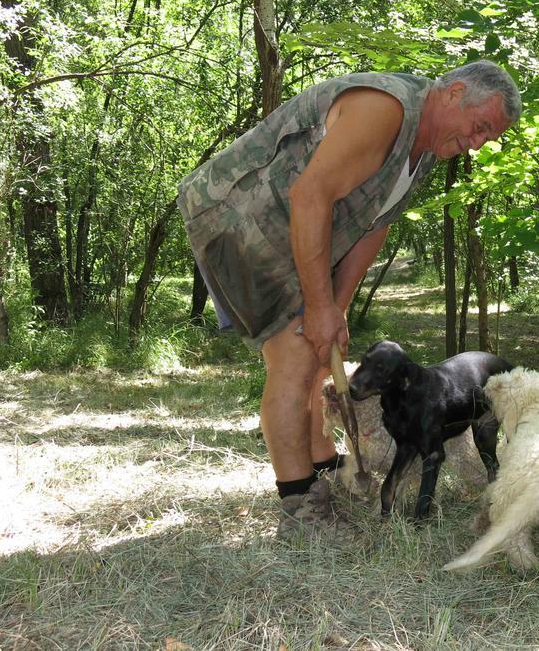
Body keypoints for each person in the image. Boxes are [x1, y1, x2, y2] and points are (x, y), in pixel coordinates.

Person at [176, 61, 520, 538]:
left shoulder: (422, 151)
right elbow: (310, 196)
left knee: (321, 352)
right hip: (239, 217)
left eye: (490, 137)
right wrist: (317, 308)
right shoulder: (384, 108)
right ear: (454, 93)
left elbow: (372, 225)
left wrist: (336, 307)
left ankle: (322, 469)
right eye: (481, 126)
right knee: (297, 355)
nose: (480, 143)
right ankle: (301, 509)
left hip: (296, 224)